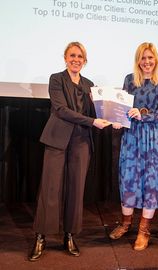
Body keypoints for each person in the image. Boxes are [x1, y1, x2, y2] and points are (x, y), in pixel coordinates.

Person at [28, 41, 111, 261]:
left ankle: (69, 235)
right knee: (50, 188)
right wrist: (93, 121)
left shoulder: (90, 84)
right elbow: (61, 110)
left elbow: (98, 110)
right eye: (72, 55)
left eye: (80, 57)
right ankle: (41, 236)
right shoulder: (56, 79)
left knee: (76, 190)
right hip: (57, 139)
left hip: (81, 142)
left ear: (85, 60)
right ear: (65, 58)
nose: (76, 60)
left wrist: (114, 117)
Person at [109, 42, 158, 251]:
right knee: (129, 179)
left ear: (156, 60)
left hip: (154, 139)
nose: (147, 62)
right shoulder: (130, 80)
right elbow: (122, 106)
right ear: (138, 60)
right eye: (143, 58)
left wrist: (143, 113)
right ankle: (126, 224)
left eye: (150, 58)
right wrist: (118, 118)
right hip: (132, 136)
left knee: (151, 183)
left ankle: (143, 230)